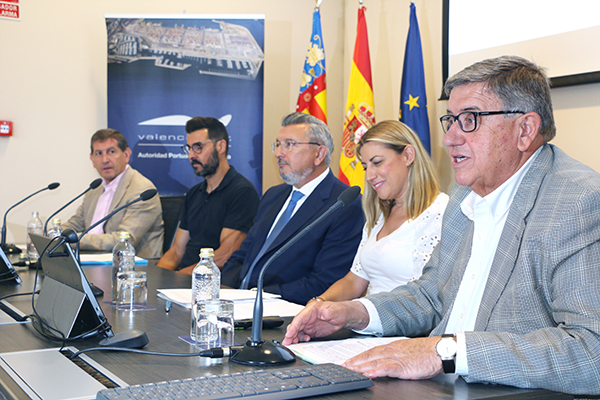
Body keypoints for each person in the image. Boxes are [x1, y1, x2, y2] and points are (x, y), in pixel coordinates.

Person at [283, 56, 600, 396]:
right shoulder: (466, 192)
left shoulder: (577, 201)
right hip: (441, 386)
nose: (449, 138)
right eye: (450, 120)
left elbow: (591, 350)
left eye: (469, 120)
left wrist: (444, 352)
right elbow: (432, 293)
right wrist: (352, 313)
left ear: (525, 129)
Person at [221, 112, 364, 305]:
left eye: (289, 144)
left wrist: (256, 297)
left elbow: (325, 281)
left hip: (285, 313)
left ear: (319, 154)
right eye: (278, 144)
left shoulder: (344, 204)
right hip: (238, 304)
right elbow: (244, 253)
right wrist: (225, 291)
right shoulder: (273, 195)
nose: (278, 153)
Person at [310, 121, 448, 303]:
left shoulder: (440, 212)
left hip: (405, 327)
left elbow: (425, 297)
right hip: (367, 323)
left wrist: (357, 314)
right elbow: (353, 281)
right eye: (366, 167)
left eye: (377, 162)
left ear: (408, 155)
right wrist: (318, 304)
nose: (369, 176)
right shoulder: (379, 215)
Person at [156, 117, 260, 274]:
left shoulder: (242, 192)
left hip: (213, 287)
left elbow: (224, 256)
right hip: (182, 281)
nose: (191, 155)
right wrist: (154, 279)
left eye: (198, 147)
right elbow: (176, 252)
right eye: (189, 148)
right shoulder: (193, 193)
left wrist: (176, 279)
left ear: (221, 146)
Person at [62, 129, 163, 259]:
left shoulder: (141, 190)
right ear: (92, 159)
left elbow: (124, 240)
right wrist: (54, 233)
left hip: (131, 269)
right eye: (98, 153)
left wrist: (75, 240)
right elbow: (75, 223)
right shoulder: (95, 189)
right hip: (91, 260)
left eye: (111, 152)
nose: (105, 160)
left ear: (126, 155)